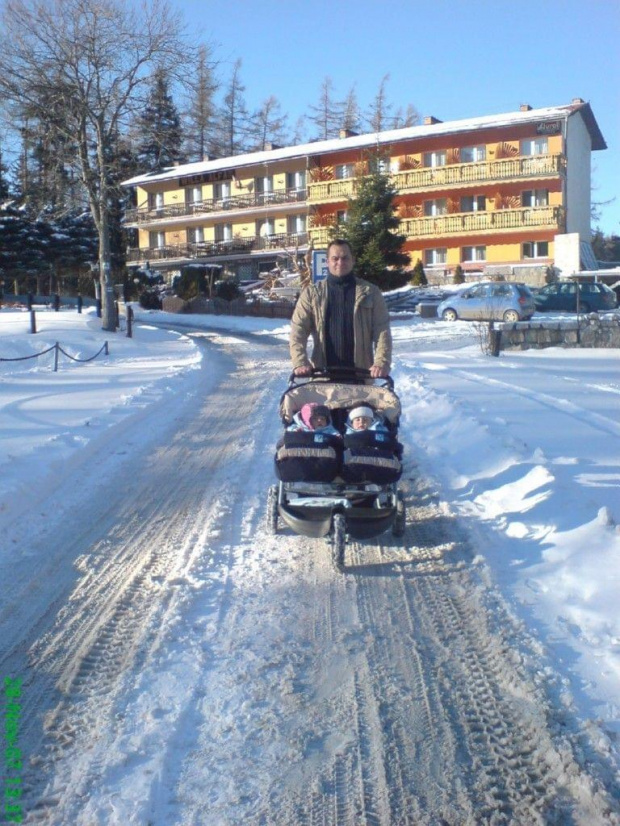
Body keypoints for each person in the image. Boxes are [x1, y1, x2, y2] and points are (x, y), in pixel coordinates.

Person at [289, 239, 392, 378]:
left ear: (353, 260)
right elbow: (298, 330)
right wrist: (300, 361)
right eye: (335, 258)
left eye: (345, 258)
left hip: (361, 377)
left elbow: (382, 330)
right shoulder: (312, 294)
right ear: (327, 262)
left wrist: (381, 362)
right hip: (323, 377)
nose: (340, 262)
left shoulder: (371, 292)